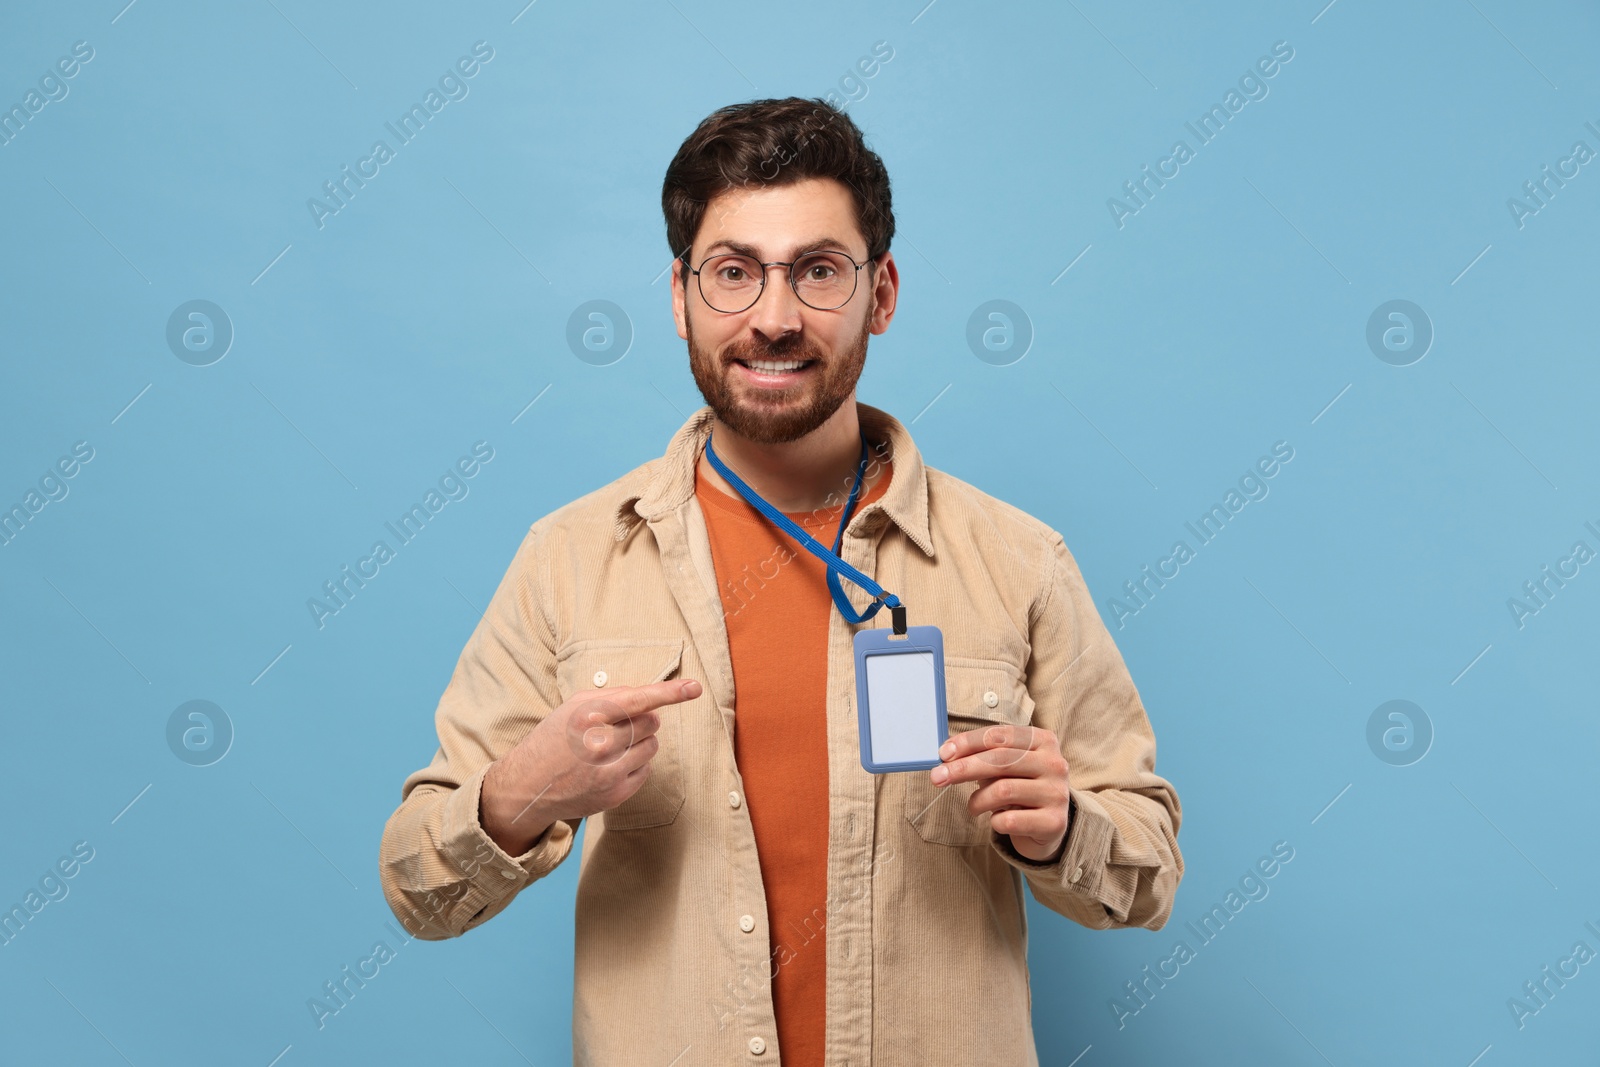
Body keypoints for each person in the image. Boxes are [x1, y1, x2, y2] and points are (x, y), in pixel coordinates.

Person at [380, 96, 1182, 1066]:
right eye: (733, 273)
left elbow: (1149, 870)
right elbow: (416, 889)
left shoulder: (1019, 559)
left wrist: (1064, 829)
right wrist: (515, 795)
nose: (773, 317)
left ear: (880, 293)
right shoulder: (570, 557)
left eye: (817, 270)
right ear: (679, 296)